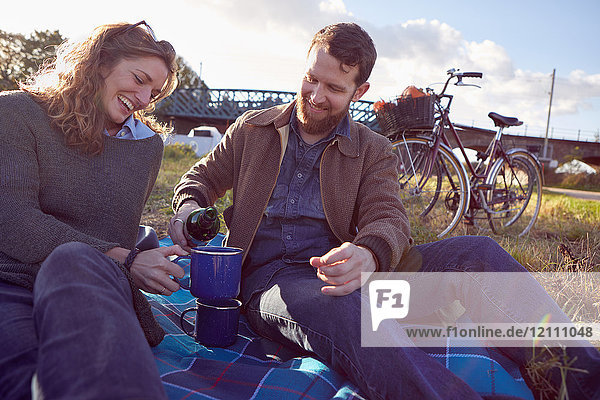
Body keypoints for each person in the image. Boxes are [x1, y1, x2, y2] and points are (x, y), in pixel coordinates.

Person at [169, 23, 600, 399]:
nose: (315, 96)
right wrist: (188, 210)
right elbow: (198, 181)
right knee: (344, 311)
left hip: (362, 277)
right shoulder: (253, 129)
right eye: (310, 79)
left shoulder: (373, 148)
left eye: (334, 88)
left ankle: (584, 385)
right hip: (274, 281)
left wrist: (369, 254)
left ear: (361, 91)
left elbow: (389, 217)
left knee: (479, 254)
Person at [0, 21, 188, 399]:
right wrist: (129, 259)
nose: (144, 97)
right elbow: (14, 221)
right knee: (20, 379)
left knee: (73, 259)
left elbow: (116, 232)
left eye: (154, 92)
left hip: (91, 279)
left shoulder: (147, 146)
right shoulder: (16, 113)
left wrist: (118, 261)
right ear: (101, 62)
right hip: (13, 280)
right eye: (139, 78)